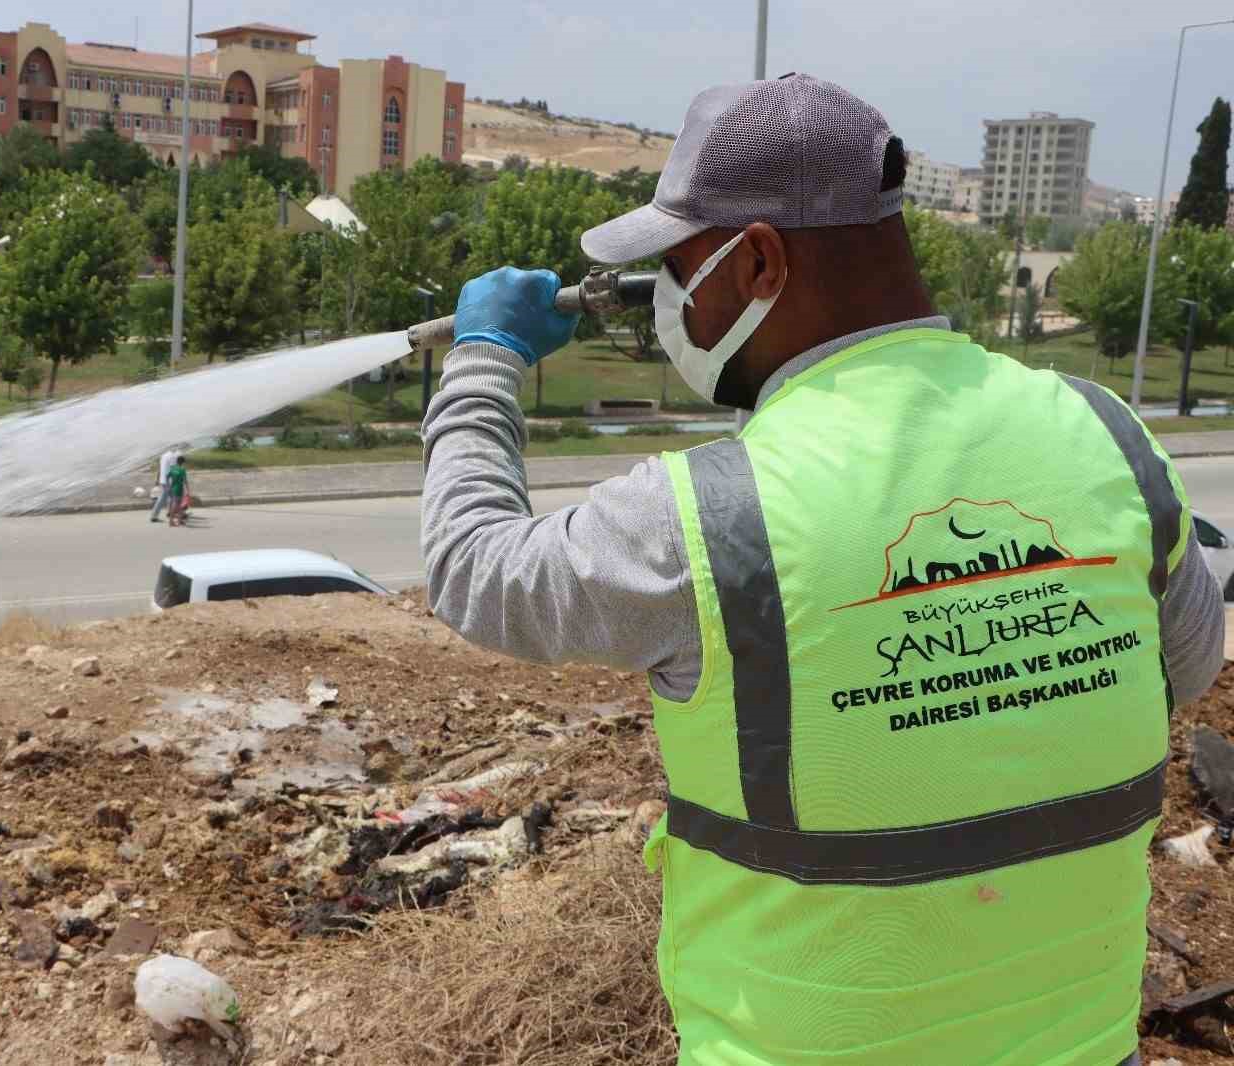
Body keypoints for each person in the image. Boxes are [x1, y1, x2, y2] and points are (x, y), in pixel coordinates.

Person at [420, 73, 1224, 1066]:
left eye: (677, 269)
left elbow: (471, 568)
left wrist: (484, 356)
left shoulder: (708, 517)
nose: (671, 304)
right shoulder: (1107, 435)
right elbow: (1180, 668)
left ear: (758, 261)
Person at [148, 450, 177, 524]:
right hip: (169, 480)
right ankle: (154, 516)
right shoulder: (172, 456)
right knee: (163, 498)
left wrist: (157, 478)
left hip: (163, 479)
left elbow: (159, 469)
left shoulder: (163, 456)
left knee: (172, 497)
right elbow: (173, 469)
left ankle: (169, 513)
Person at [165, 454, 189, 526]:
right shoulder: (182, 470)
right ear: (183, 463)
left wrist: (168, 485)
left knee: (178, 505)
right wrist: (188, 490)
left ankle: (179, 520)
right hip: (179, 489)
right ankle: (172, 521)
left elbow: (167, 476)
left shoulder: (173, 468)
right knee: (176, 505)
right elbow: (185, 481)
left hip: (173, 488)